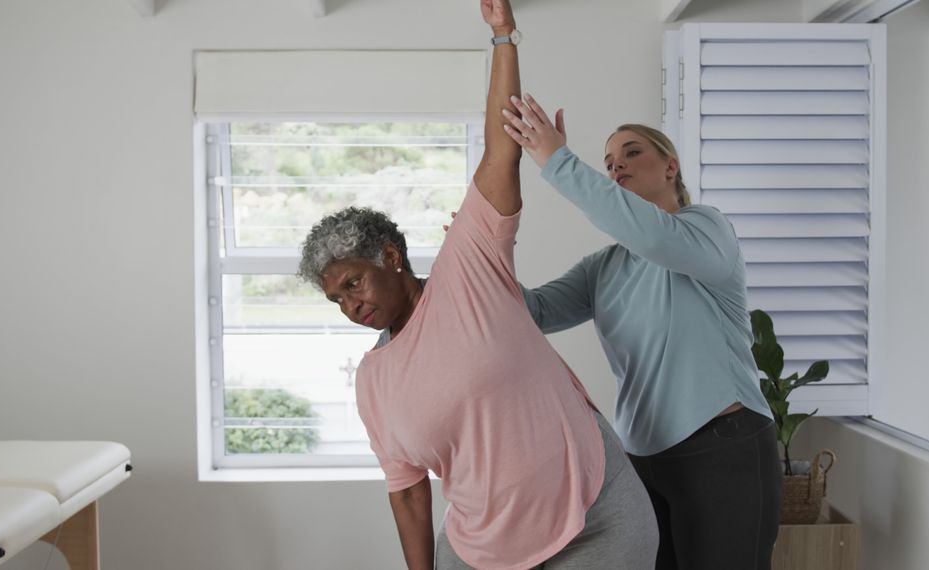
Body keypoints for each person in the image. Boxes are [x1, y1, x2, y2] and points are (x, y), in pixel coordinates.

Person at [296, 2, 656, 568]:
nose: (350, 304)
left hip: (596, 517)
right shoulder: (373, 381)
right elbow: (409, 492)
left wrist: (503, 36)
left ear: (390, 256)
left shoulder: (470, 265)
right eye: (337, 299)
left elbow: (501, 148)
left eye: (354, 282)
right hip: (482, 548)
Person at [500, 97, 783, 569]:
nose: (617, 167)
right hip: (643, 458)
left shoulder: (706, 229)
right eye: (609, 162)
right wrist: (485, 257)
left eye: (632, 153)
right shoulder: (604, 268)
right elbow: (533, 312)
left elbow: (653, 236)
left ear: (671, 166)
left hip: (722, 444)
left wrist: (557, 161)